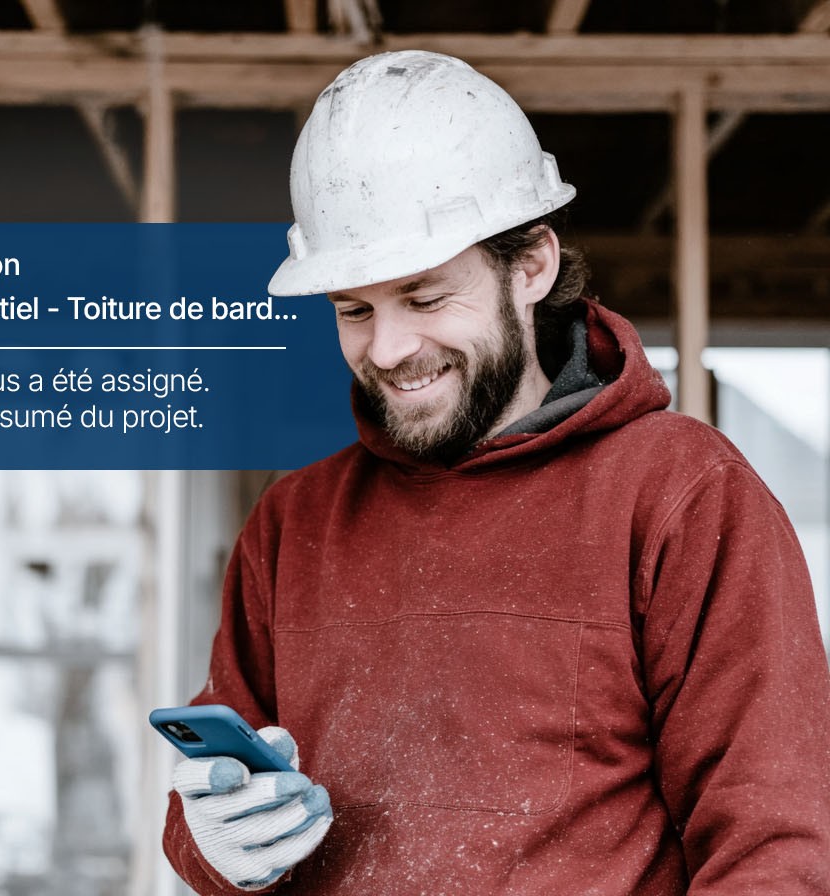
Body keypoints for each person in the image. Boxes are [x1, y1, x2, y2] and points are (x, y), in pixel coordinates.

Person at [161, 50, 830, 895]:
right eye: (354, 311)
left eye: (427, 297)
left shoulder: (679, 495)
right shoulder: (295, 523)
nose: (391, 348)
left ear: (532, 265)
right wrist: (218, 847)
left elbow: (776, 848)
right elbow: (220, 815)